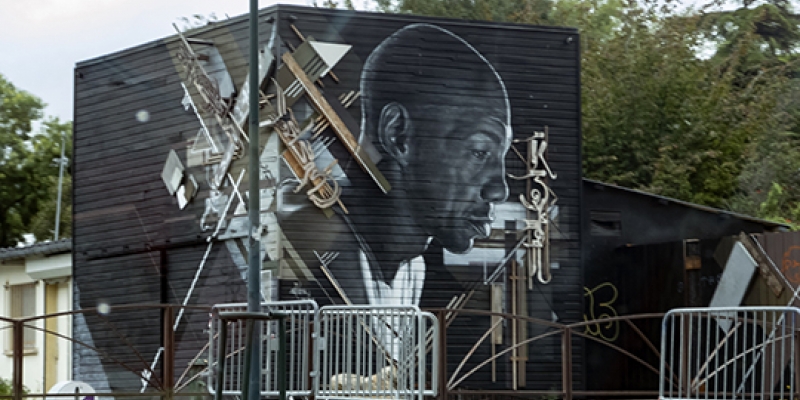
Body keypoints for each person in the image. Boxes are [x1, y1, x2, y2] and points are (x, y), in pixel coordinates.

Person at [282, 23, 512, 311]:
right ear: (398, 135)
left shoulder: (411, 268)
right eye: (479, 153)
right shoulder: (312, 241)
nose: (500, 190)